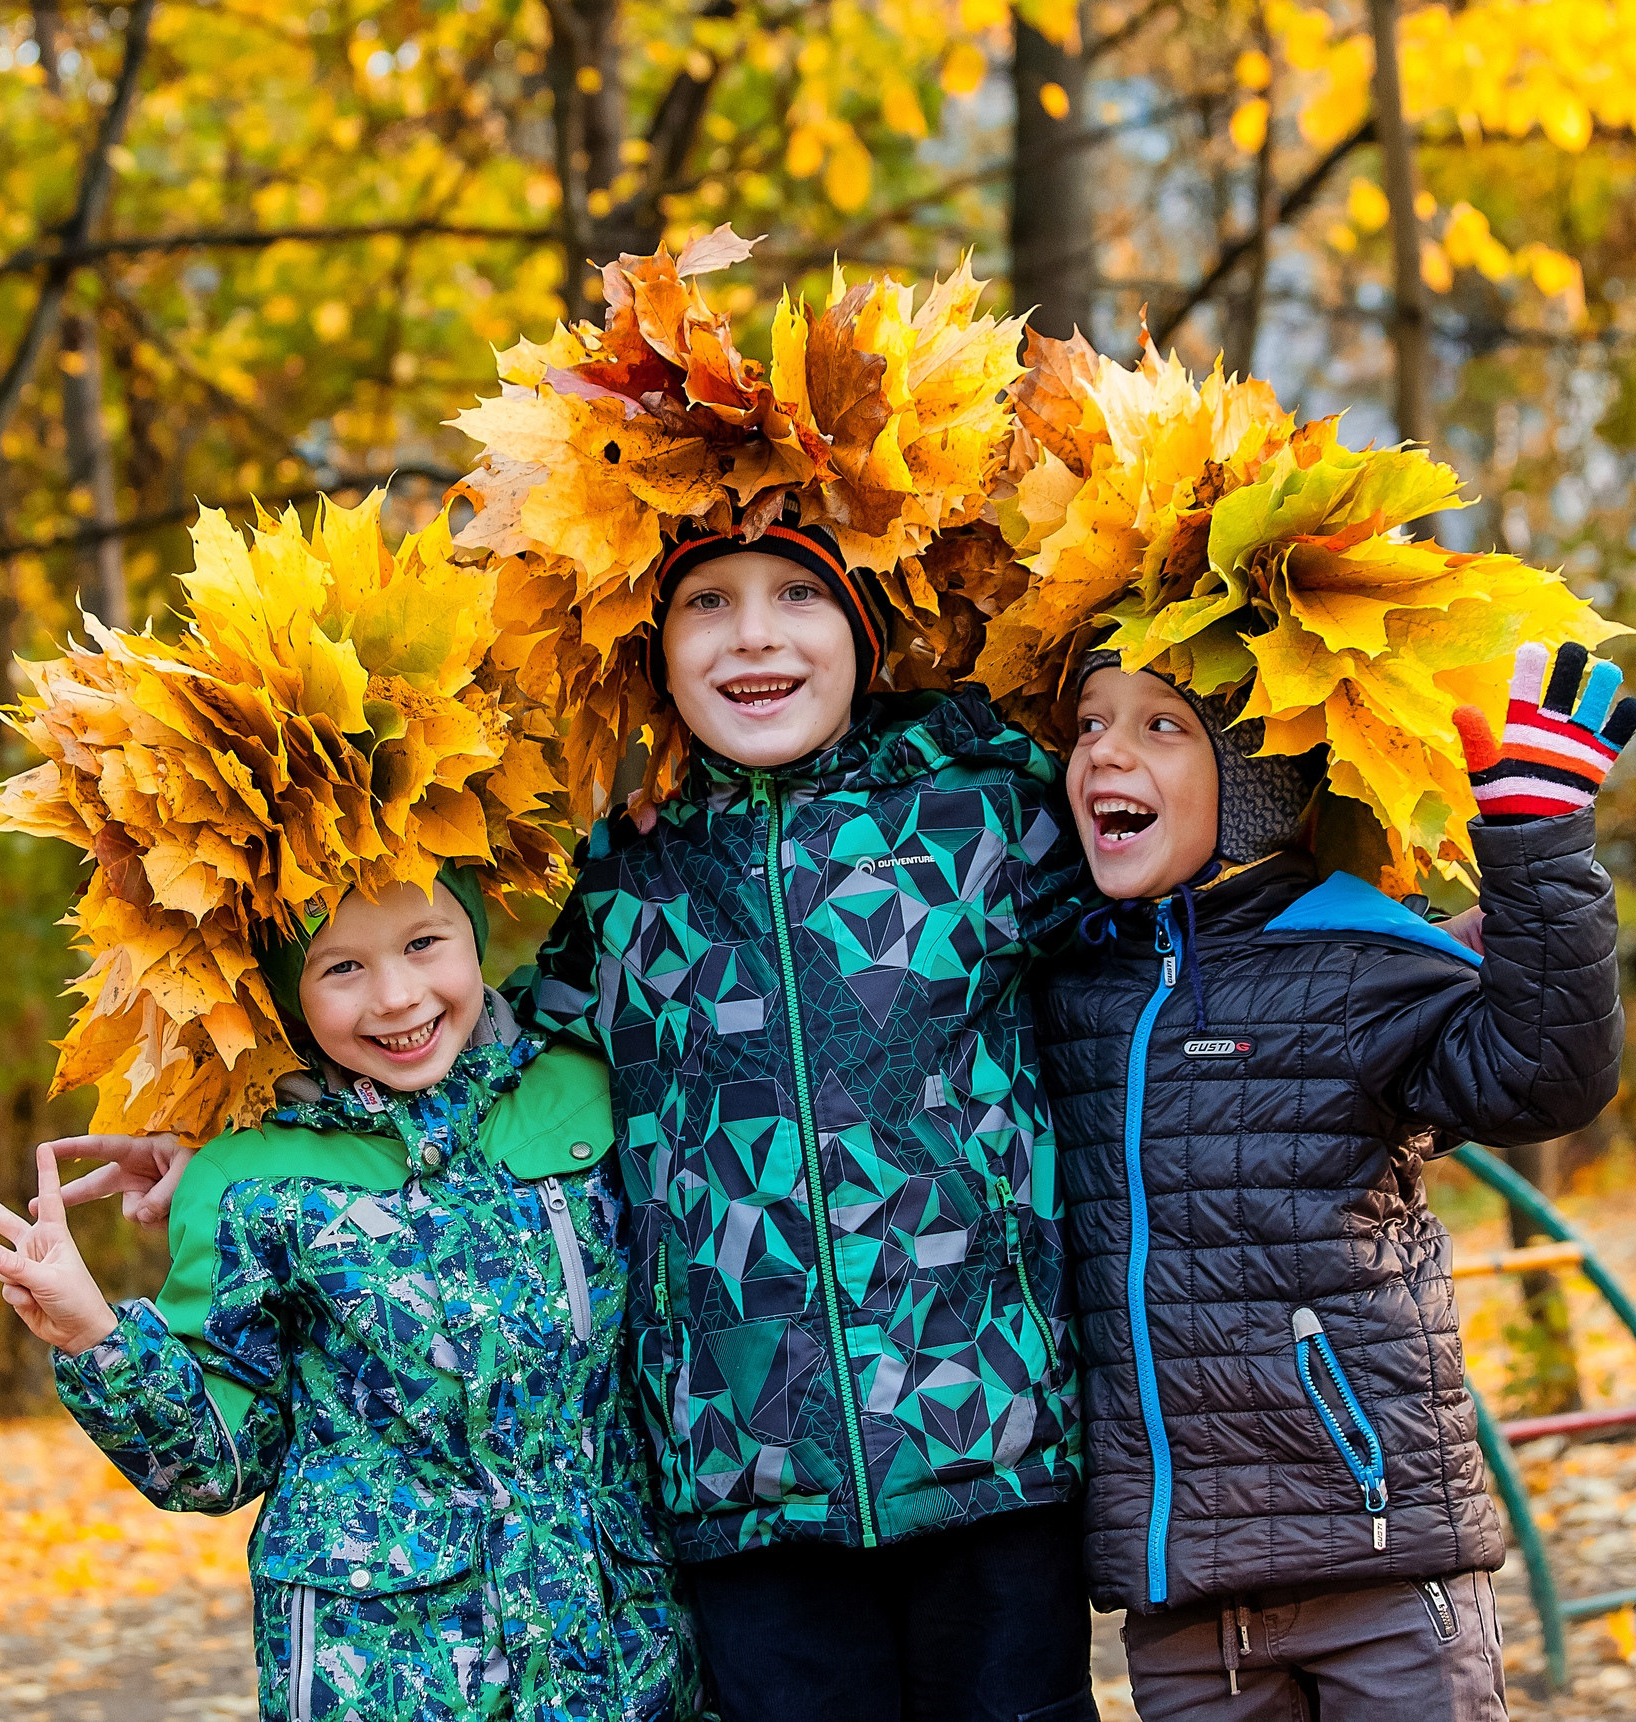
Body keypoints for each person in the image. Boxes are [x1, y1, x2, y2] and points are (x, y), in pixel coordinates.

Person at [464, 240, 1099, 1722]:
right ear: (653, 649)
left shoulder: (986, 802)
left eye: (794, 599)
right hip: (739, 1477)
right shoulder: (621, 879)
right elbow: (470, 1071)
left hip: (990, 1449)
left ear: (862, 627)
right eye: (705, 606)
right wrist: (241, 1116)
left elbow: (1170, 909)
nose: (754, 638)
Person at [974, 341, 1636, 1721]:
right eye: (1089, 724)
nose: (1104, 754)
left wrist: (1539, 853)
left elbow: (1547, 1067)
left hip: (1378, 1555)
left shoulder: (1357, 957)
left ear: (1261, 783)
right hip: (1179, 1592)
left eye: (1163, 726)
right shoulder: (1064, 981)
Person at [0, 499, 693, 1722]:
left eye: (423, 943)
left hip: (614, 1658)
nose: (398, 997)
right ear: (286, 995)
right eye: (342, 968)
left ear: (475, 931)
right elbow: (215, 1459)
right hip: (381, 1671)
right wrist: (95, 1335)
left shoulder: (583, 1093)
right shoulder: (251, 1180)